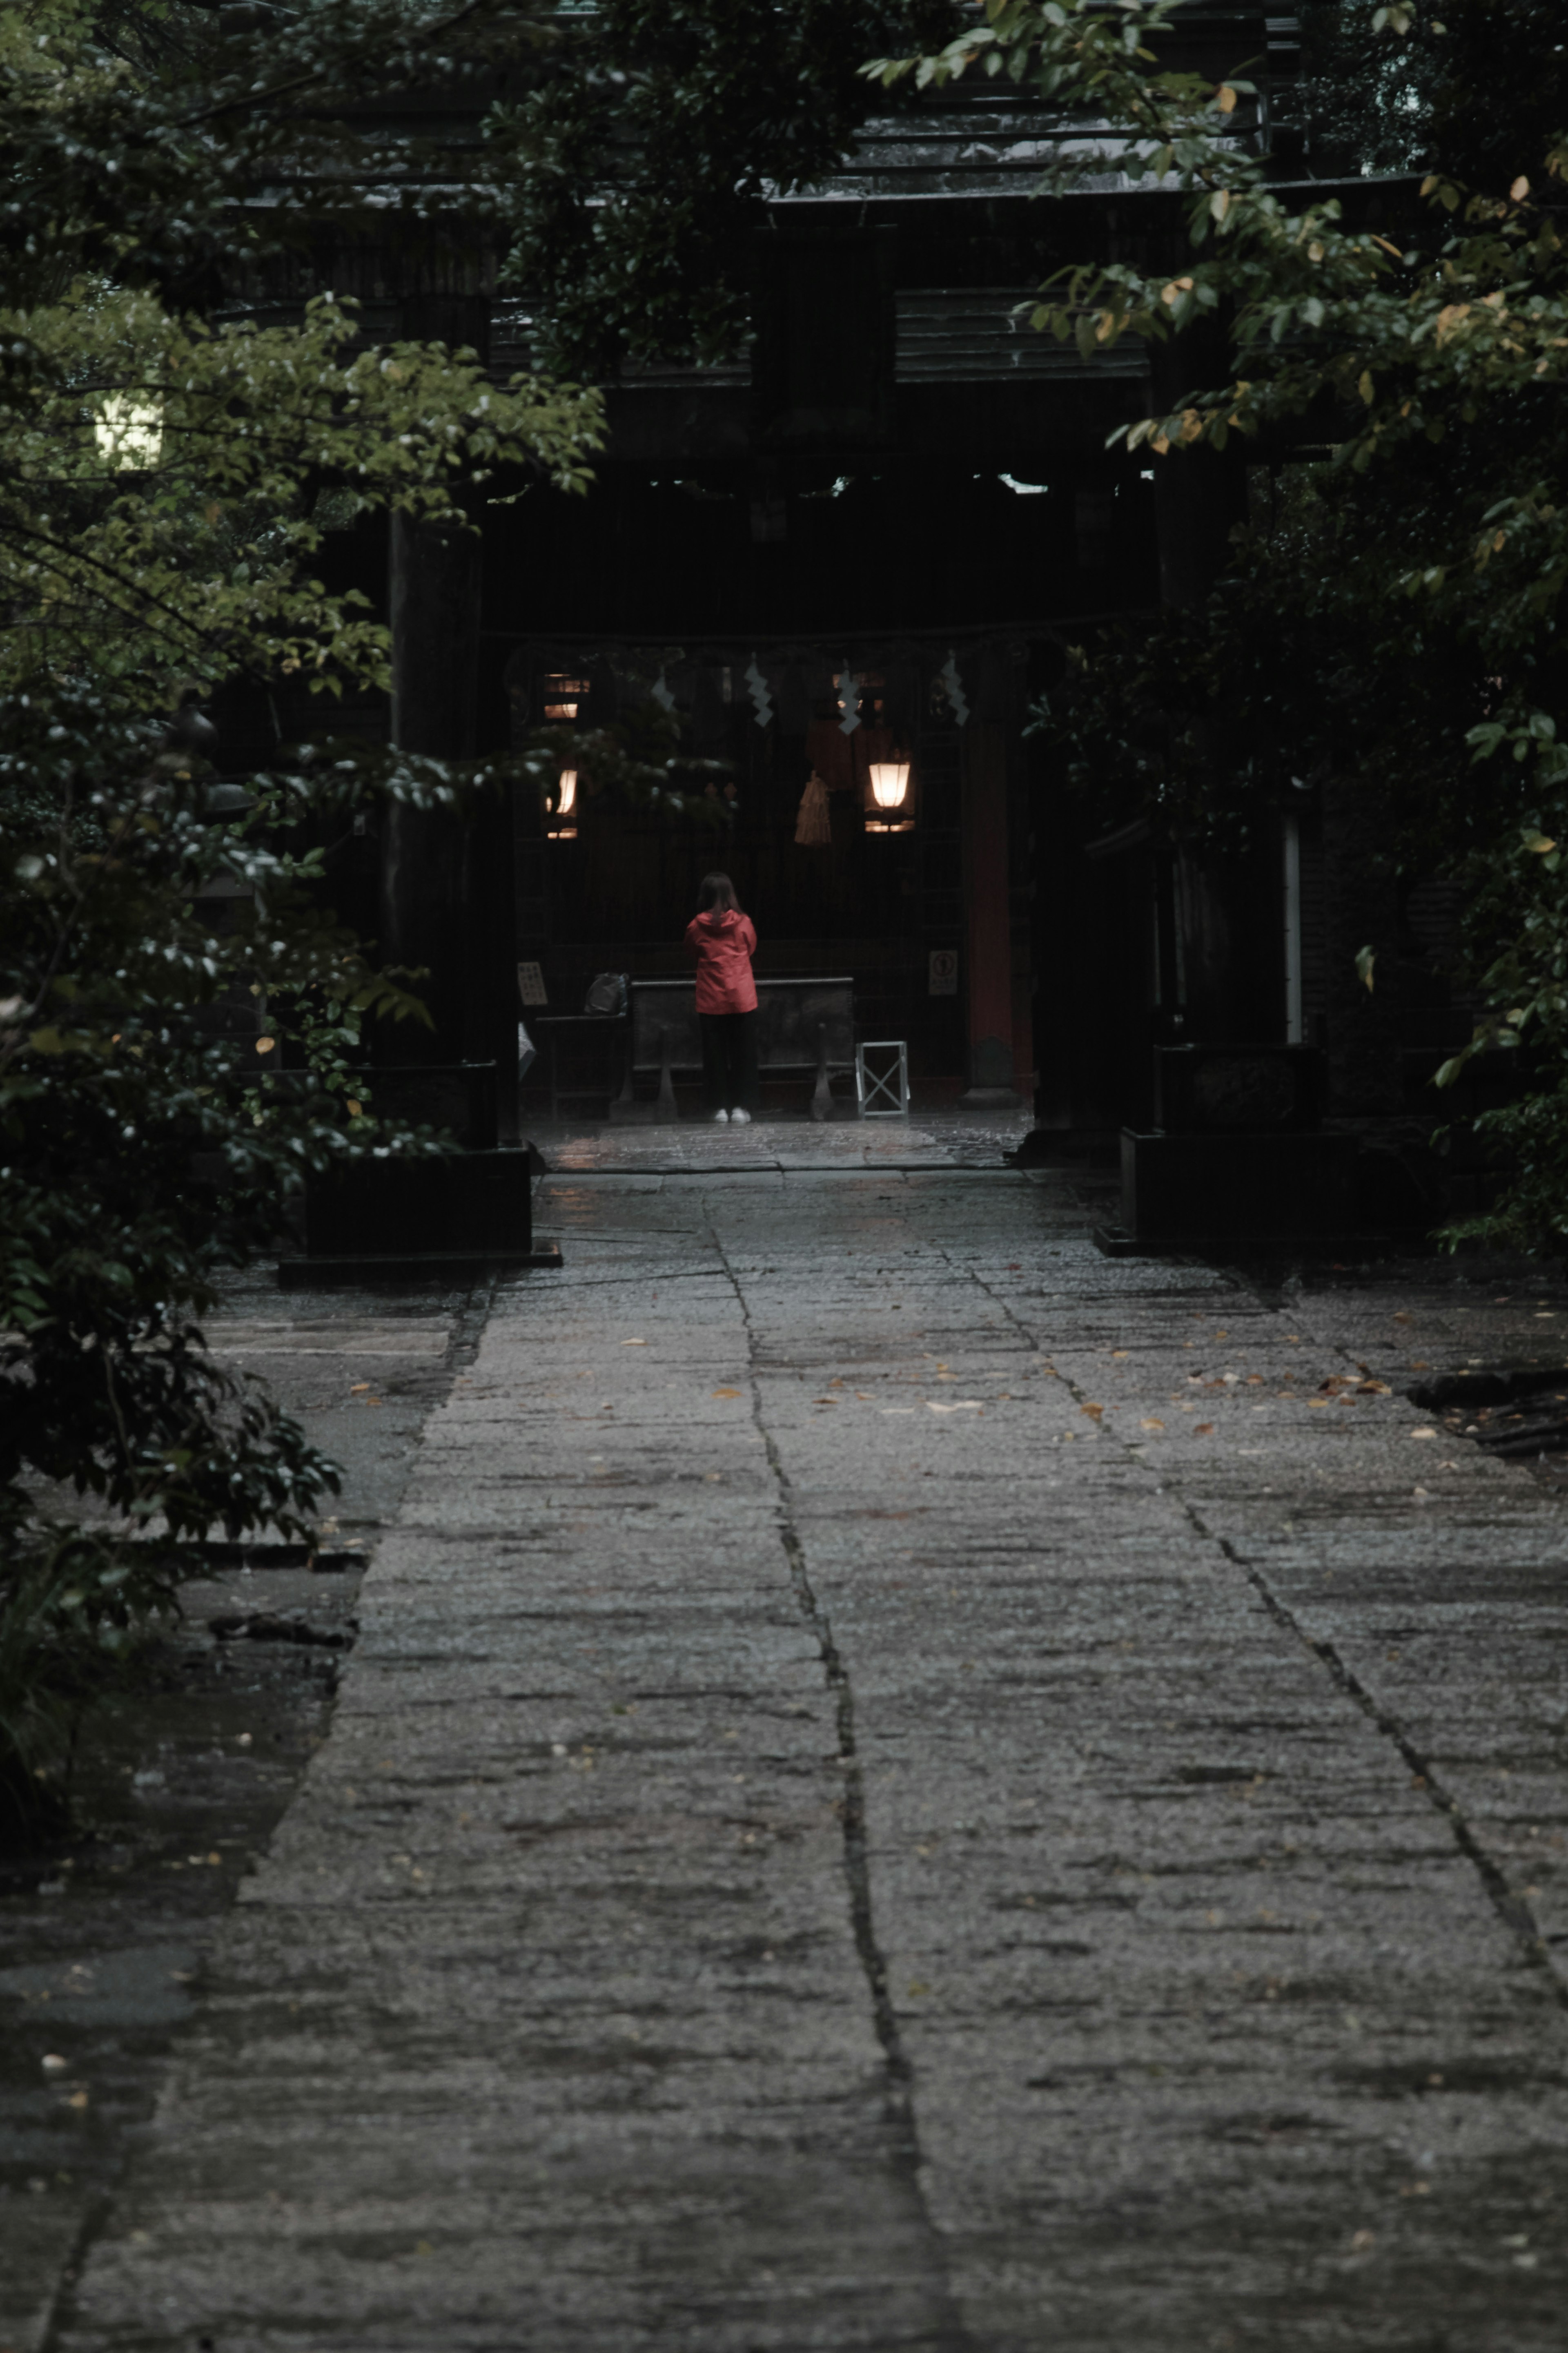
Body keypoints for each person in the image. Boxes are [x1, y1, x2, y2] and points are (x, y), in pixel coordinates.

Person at [685, 872, 759, 1124]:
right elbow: (751, 949)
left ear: (704, 896)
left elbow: (692, 952)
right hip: (741, 997)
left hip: (711, 999)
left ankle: (719, 1108)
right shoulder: (744, 923)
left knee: (714, 1056)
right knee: (743, 1054)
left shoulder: (696, 926)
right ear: (730, 896)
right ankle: (742, 1107)